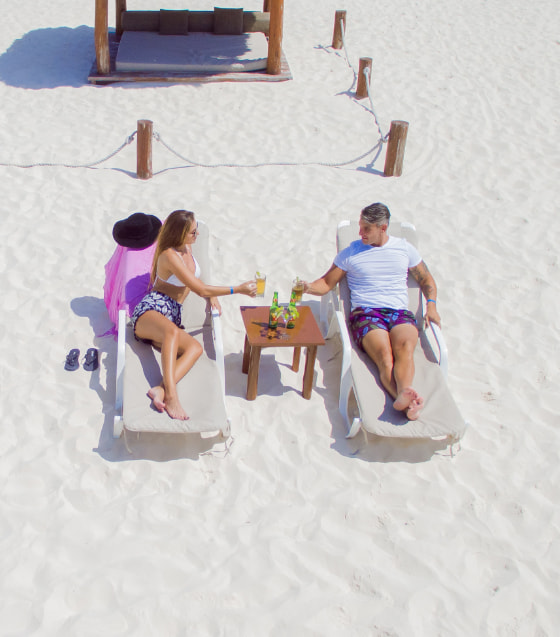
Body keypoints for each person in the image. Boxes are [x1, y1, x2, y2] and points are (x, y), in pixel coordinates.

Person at [303, 202, 441, 420]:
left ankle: (405, 394)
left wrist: (431, 305)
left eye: (366, 228)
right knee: (385, 355)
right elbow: (327, 283)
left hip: (399, 313)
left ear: (383, 228)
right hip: (367, 314)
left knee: (404, 347)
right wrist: (307, 287)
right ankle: (405, 400)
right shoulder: (351, 252)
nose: (360, 233)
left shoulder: (404, 248)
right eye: (360, 226)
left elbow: (426, 279)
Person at [131, 209, 257, 420]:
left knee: (195, 348)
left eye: (196, 231)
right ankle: (172, 397)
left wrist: (210, 296)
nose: (196, 236)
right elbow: (199, 289)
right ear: (179, 234)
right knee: (171, 332)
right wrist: (238, 289)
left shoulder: (188, 248)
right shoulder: (169, 255)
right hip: (151, 311)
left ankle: (160, 390)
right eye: (192, 233)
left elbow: (198, 284)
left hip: (171, 315)